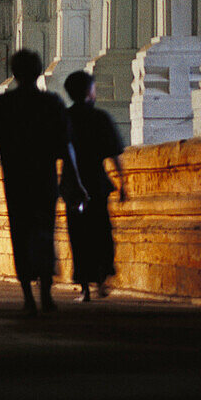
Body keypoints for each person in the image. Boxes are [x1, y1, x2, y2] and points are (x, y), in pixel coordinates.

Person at [0, 50, 84, 316]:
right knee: (45, 231)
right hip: (44, 179)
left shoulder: (4, 104)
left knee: (20, 234)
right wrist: (75, 178)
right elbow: (67, 145)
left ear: (15, 73)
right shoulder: (51, 103)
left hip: (16, 180)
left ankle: (28, 296)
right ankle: (45, 292)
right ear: (38, 72)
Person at [62, 70, 128, 302]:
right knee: (101, 232)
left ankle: (84, 288)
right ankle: (101, 280)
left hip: (72, 184)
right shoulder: (100, 118)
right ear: (90, 92)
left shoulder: (65, 118)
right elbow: (114, 154)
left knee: (78, 234)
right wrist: (123, 184)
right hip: (97, 183)